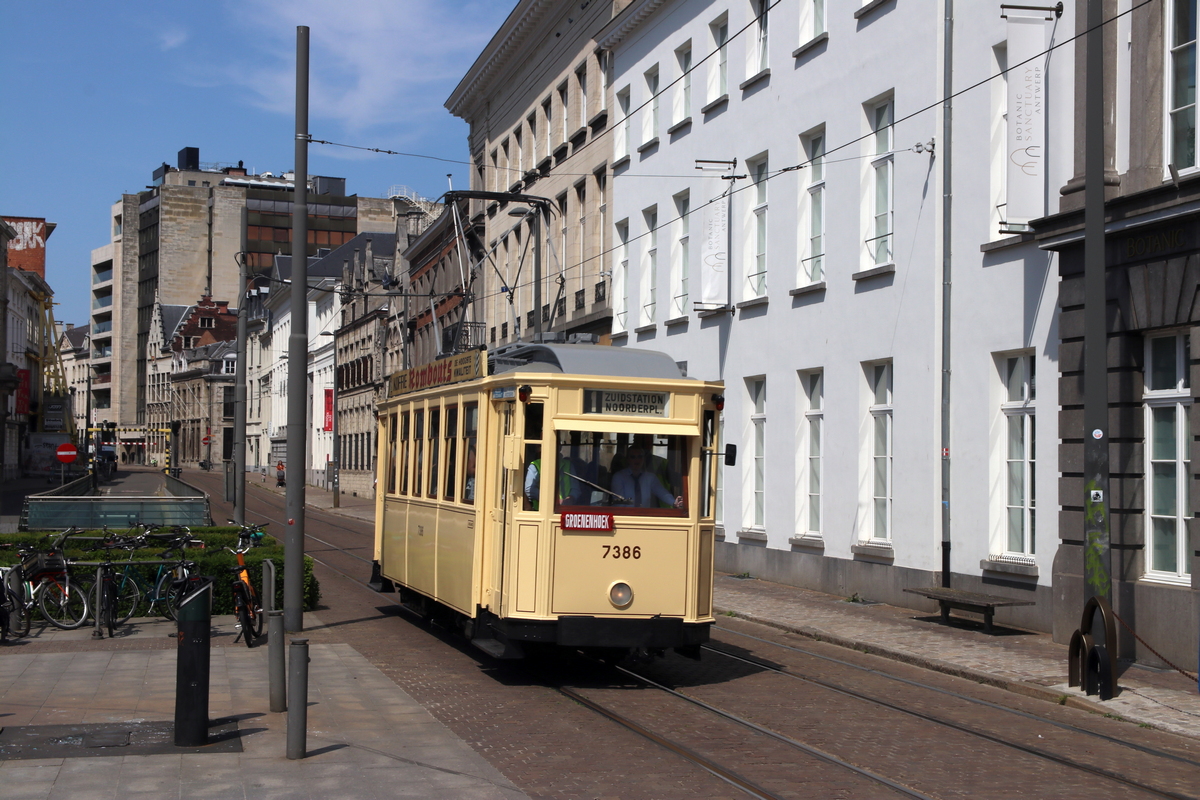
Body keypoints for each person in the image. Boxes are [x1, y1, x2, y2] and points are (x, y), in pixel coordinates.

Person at [611, 447, 682, 508]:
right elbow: (619, 502)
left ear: (643, 459)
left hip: (644, 515)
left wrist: (674, 502)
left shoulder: (650, 477)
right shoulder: (619, 477)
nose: (637, 459)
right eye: (633, 457)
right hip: (624, 516)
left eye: (640, 456)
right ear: (628, 459)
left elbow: (662, 493)